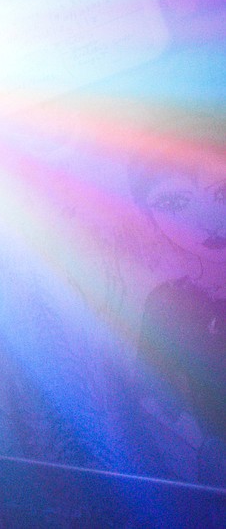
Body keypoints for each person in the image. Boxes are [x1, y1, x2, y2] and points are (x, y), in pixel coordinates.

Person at [128, 141, 226, 487]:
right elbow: (154, 404)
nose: (209, 221)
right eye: (174, 203)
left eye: (222, 193)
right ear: (149, 215)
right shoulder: (167, 305)